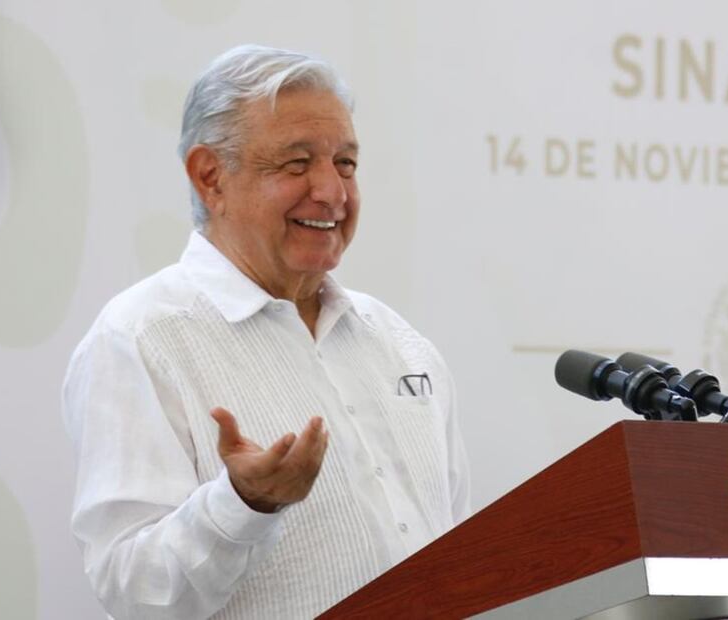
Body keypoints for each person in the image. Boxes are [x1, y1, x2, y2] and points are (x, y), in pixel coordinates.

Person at [62, 44, 470, 619]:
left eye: (345, 163)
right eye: (297, 164)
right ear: (210, 178)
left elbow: (459, 550)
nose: (332, 192)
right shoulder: (140, 338)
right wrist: (244, 504)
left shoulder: (398, 342)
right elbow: (136, 594)